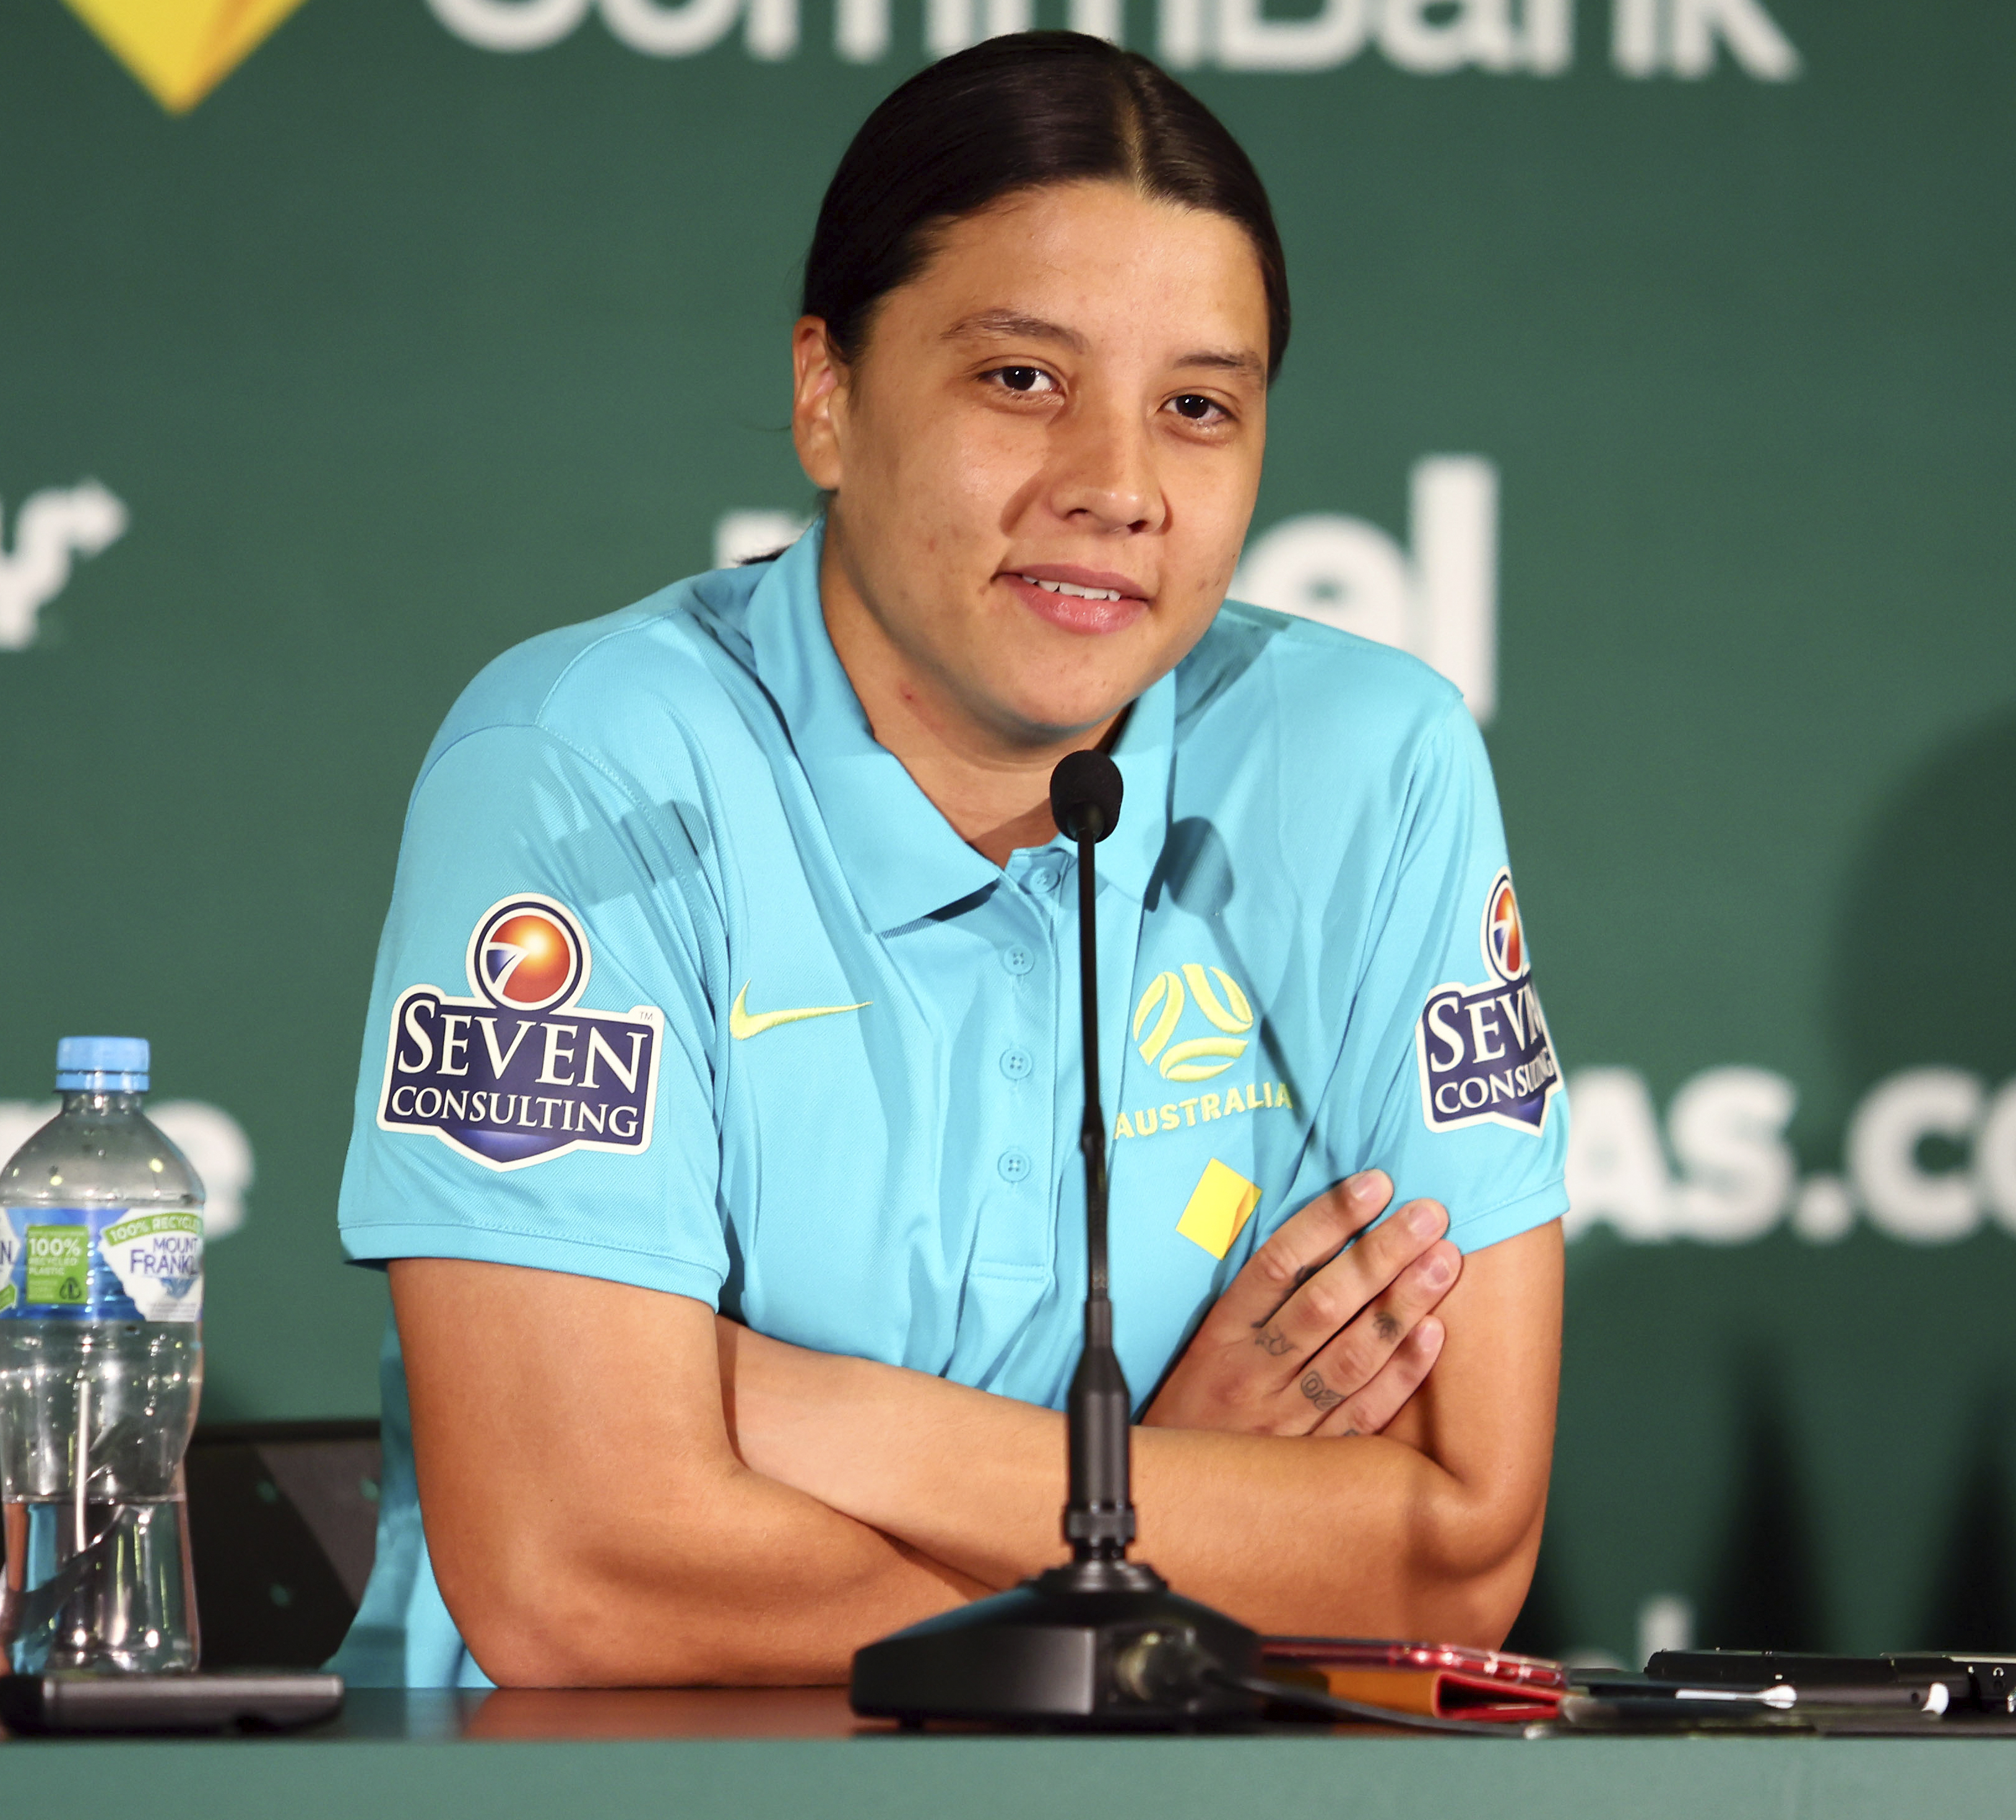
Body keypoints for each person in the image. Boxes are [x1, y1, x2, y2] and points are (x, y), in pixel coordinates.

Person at [329, 32, 1568, 1688]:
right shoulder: (583, 763)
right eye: (1023, 381)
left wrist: (819, 1419)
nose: (1116, 487)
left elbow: (1452, 1554)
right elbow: (576, 1580)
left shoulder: (1369, 766)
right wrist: (1137, 1532)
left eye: (1198, 407)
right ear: (825, 397)